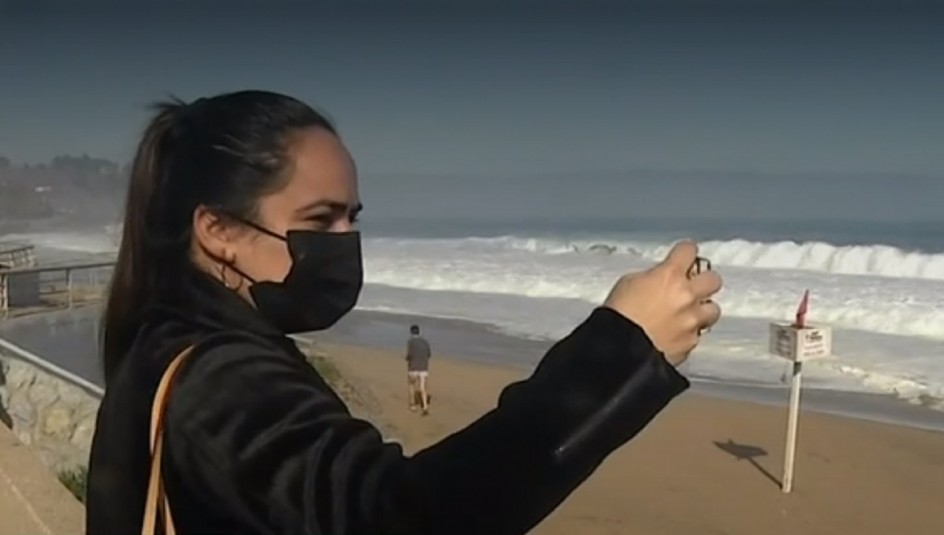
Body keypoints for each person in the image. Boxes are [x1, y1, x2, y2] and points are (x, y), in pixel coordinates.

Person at [85, 90, 722, 535]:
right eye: (319, 220)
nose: (344, 241)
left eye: (351, 218)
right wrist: (621, 350)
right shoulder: (221, 378)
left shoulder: (165, 341)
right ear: (219, 231)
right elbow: (398, 516)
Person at [406, 324, 431, 414]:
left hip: (413, 367)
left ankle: (412, 405)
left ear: (411, 332)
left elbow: (409, 355)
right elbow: (429, 355)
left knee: (411, 385)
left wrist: (407, 359)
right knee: (422, 388)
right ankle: (425, 406)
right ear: (419, 332)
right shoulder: (425, 342)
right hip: (423, 368)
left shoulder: (410, 342)